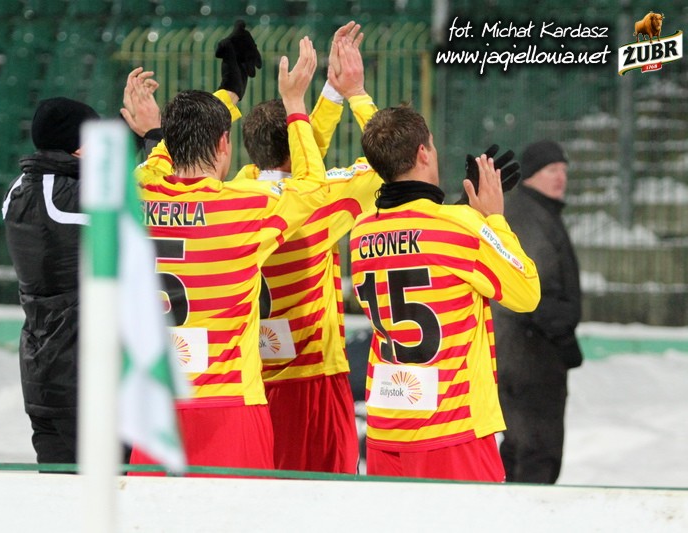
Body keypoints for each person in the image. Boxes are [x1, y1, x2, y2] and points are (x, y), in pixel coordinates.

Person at [128, 37, 329, 474]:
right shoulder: (247, 207)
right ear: (224, 145)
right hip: (229, 406)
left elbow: (158, 160)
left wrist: (225, 97)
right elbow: (314, 188)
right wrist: (295, 104)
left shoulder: (139, 194)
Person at [349, 105, 541, 481]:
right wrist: (493, 219)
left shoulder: (360, 232)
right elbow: (526, 291)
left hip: (387, 426)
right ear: (423, 152)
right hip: (451, 427)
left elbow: (416, 247)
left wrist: (462, 214)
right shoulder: (460, 226)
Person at [236, 23, 380, 473]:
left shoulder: (236, 193)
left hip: (249, 376)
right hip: (313, 377)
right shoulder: (323, 204)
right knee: (323, 493)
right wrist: (353, 93)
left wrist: (325, 99)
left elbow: (297, 164)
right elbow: (388, 164)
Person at [2, 97, 98, 467]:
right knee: (110, 489)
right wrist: (151, 134)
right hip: (81, 378)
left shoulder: (20, 188)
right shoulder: (64, 199)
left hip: (43, 372)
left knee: (58, 487)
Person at [491, 139, 583, 484]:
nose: (561, 177)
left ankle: (509, 509)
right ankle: (528, 512)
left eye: (564, 170)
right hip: (530, 358)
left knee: (519, 448)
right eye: (551, 170)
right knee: (537, 454)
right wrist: (563, 334)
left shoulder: (536, 211)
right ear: (530, 174)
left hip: (523, 356)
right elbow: (531, 292)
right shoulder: (528, 217)